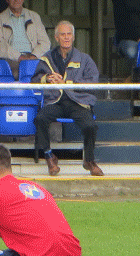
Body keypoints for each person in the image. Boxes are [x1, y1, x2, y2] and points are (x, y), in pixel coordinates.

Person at [32, 20, 103, 177]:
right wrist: (48, 78)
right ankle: (50, 156)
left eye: (69, 34)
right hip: (55, 101)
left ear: (73, 37)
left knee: (90, 126)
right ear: (56, 38)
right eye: (62, 34)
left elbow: (93, 82)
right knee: (40, 118)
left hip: (77, 102)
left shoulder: (84, 59)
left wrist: (67, 83)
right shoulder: (47, 58)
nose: (66, 37)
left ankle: (89, 160)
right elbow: (35, 80)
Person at [0, 0, 50, 75]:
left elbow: (45, 42)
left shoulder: (34, 16)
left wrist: (33, 56)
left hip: (33, 59)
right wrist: (19, 57)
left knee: (47, 73)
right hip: (11, 60)